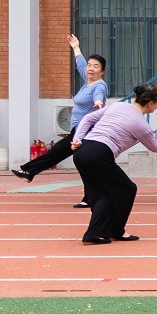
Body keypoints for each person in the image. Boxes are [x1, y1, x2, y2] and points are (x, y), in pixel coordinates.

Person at [13, 34, 107, 210]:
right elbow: (81, 65)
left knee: (60, 152)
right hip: (79, 130)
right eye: (90, 65)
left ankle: (29, 171)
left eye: (96, 67)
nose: (91, 69)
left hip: (85, 131)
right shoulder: (88, 81)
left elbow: (99, 95)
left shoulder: (99, 86)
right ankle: (90, 197)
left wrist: (98, 102)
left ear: (102, 71)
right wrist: (76, 47)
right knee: (83, 163)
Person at [70, 84, 157, 244]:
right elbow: (156, 147)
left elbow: (88, 118)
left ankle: (96, 233)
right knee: (127, 189)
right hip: (99, 153)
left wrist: (77, 139)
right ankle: (115, 231)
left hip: (82, 151)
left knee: (101, 194)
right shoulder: (140, 124)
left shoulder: (118, 105)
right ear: (150, 103)